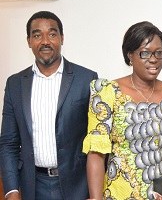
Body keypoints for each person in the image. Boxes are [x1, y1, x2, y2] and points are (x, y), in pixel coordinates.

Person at [83, 21, 162, 200]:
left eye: (159, 53)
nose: (153, 59)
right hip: (119, 194)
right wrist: (95, 198)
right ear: (130, 56)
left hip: (161, 194)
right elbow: (96, 152)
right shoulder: (107, 92)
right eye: (145, 53)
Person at [0, 11, 98, 200]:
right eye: (37, 35)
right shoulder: (14, 84)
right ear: (29, 41)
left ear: (62, 38)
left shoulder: (87, 79)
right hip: (33, 187)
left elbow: (98, 140)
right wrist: (11, 190)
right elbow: (8, 143)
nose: (45, 41)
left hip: (77, 186)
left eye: (52, 34)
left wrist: (94, 193)